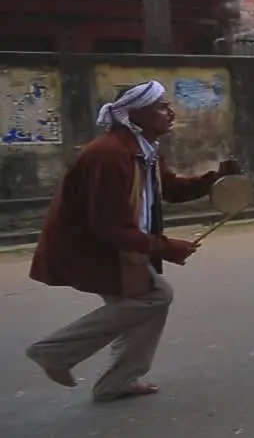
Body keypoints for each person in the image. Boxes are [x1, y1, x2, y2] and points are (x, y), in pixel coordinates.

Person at [25, 81, 239, 402]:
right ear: (133, 114)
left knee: (150, 300)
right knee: (152, 298)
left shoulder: (143, 148)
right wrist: (166, 247)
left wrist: (217, 180)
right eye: (160, 107)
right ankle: (56, 352)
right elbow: (108, 227)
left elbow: (171, 188)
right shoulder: (111, 155)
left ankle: (117, 380)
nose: (170, 113)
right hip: (93, 248)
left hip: (120, 246)